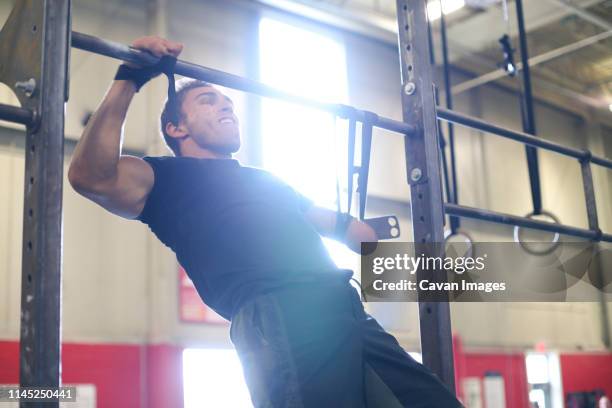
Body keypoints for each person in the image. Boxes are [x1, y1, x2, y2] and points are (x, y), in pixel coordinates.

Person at [68, 35, 462, 408]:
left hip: (344, 306)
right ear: (176, 128)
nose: (227, 108)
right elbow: (91, 177)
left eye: (229, 103)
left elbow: (349, 230)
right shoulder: (165, 178)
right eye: (209, 101)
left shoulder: (267, 180)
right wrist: (131, 77)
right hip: (279, 317)